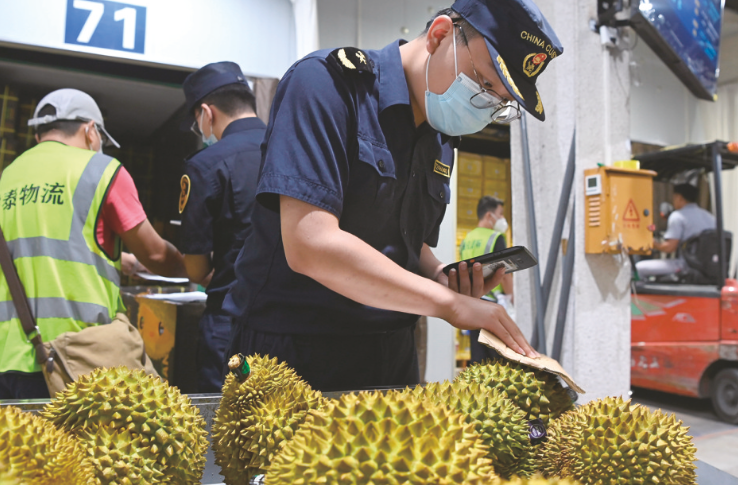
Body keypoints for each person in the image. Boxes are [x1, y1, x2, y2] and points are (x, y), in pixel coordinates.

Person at [224, 0, 562, 391]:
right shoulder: (327, 86)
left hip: (392, 349)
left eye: (499, 104)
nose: (485, 107)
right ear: (439, 35)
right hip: (293, 351)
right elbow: (309, 243)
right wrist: (448, 304)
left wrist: (438, 275)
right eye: (485, 84)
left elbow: (404, 240)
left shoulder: (440, 139)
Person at [0, 89, 187, 400]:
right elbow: (155, 253)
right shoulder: (100, 171)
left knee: (18, 449)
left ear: (40, 135)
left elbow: (30, 250)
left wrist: (117, 259)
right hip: (69, 357)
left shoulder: (1, 182)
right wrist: (195, 266)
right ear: (90, 130)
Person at [178, 62, 266, 393]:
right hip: (292, 323)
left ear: (206, 112)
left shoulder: (205, 165)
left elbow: (196, 267)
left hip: (231, 323)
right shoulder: (293, 149)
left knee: (226, 427)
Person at [460, 196, 514, 364]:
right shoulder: (496, 238)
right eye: (500, 214)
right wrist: (512, 297)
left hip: (472, 304)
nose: (502, 218)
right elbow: (503, 273)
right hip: (491, 303)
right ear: (489, 216)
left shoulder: (466, 240)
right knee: (498, 360)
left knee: (478, 359)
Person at [636, 183, 716, 280]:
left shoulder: (678, 216)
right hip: (707, 267)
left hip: (685, 265)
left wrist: (651, 242)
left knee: (638, 268)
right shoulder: (710, 217)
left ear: (679, 198)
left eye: (674, 198)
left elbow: (669, 248)